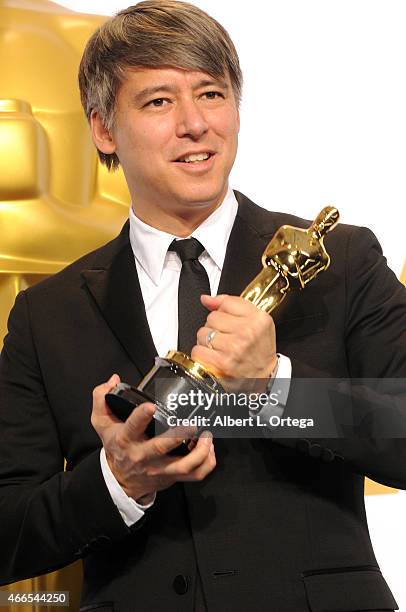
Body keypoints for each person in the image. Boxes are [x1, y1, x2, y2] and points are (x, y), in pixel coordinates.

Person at [0, 1, 405, 610]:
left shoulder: (339, 261)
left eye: (212, 94)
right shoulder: (47, 314)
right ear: (104, 129)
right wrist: (119, 482)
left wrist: (276, 386)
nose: (196, 124)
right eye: (159, 101)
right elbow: (10, 531)